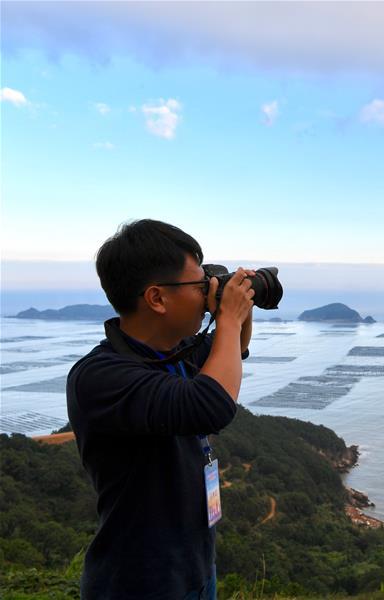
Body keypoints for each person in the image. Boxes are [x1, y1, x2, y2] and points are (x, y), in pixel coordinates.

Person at [66, 219, 255, 599]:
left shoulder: (174, 353)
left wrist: (238, 312)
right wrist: (229, 317)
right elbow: (212, 405)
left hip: (196, 571)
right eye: (198, 284)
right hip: (140, 584)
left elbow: (231, 352)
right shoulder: (101, 376)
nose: (206, 294)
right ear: (156, 298)